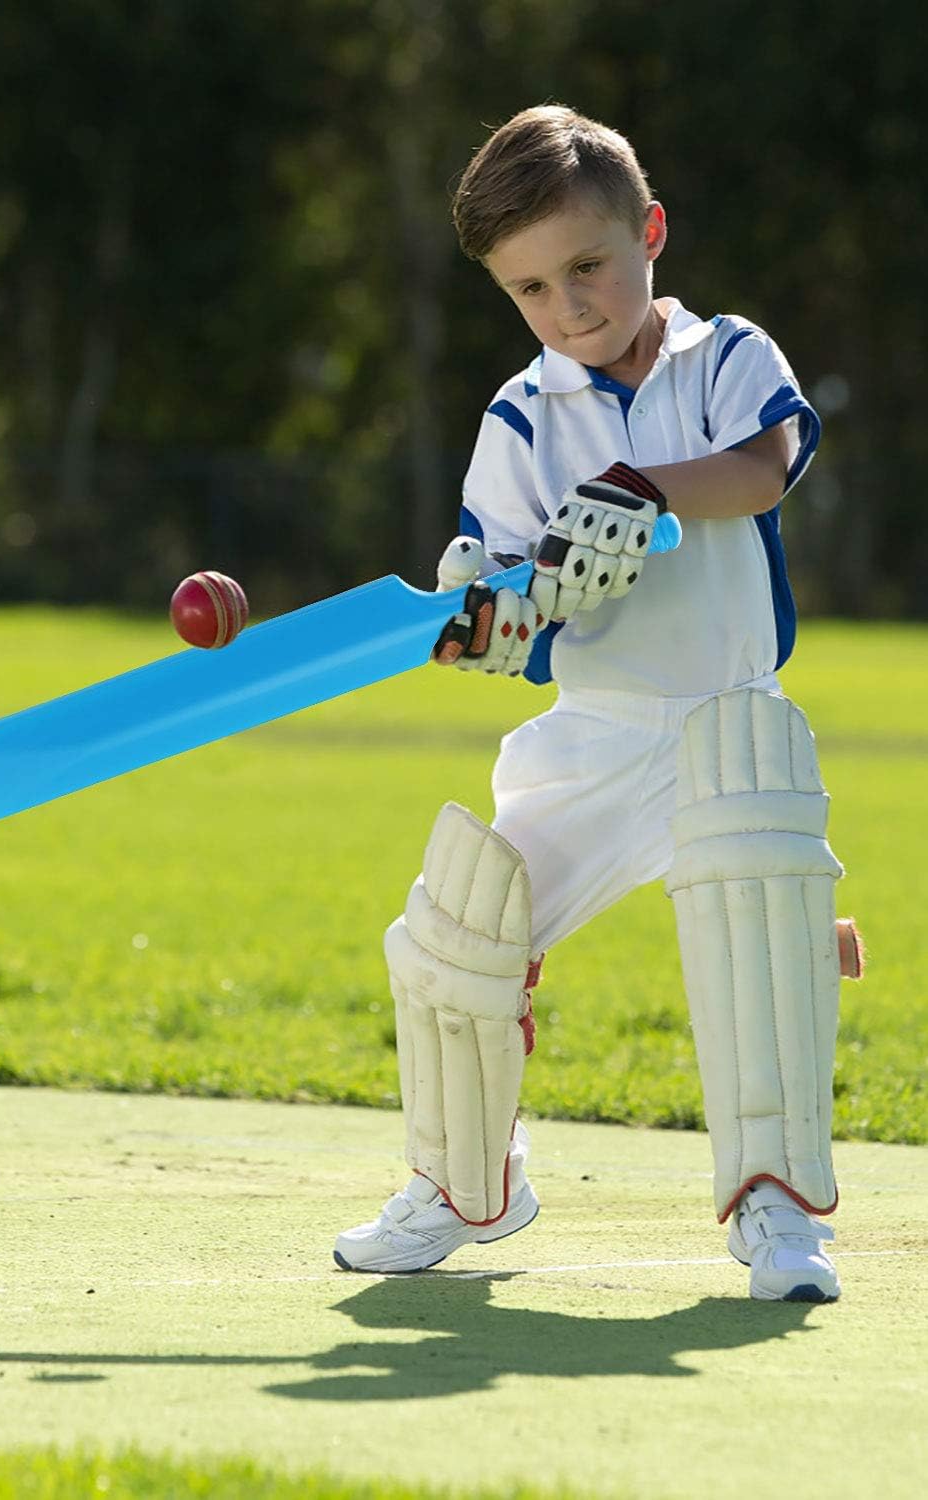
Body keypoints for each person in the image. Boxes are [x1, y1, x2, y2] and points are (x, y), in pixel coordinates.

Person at [333, 105, 860, 1302]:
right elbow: (509, 624)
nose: (569, 306)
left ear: (650, 233)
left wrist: (638, 487)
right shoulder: (520, 419)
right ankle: (469, 1188)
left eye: (588, 266)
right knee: (457, 936)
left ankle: (777, 1214)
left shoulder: (725, 355)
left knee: (761, 939)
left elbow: (765, 469)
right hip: (598, 733)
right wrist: (488, 620)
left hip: (729, 717)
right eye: (530, 288)